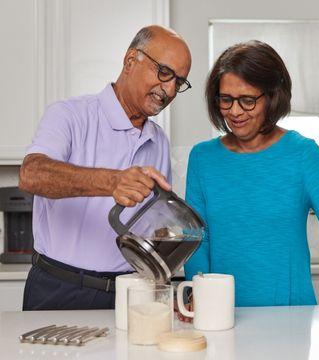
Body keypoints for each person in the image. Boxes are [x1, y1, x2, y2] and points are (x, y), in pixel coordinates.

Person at [184, 40, 319, 307]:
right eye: (226, 99)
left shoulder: (303, 154)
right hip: (222, 314)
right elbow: (196, 237)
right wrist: (198, 291)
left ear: (272, 96)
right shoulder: (202, 158)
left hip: (290, 316)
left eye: (248, 100)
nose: (235, 111)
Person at [19, 25, 192, 310]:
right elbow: (31, 174)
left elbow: (150, 228)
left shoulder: (158, 140)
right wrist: (112, 182)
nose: (170, 89)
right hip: (58, 289)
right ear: (130, 61)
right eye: (164, 72)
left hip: (130, 294)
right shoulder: (69, 115)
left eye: (179, 82)